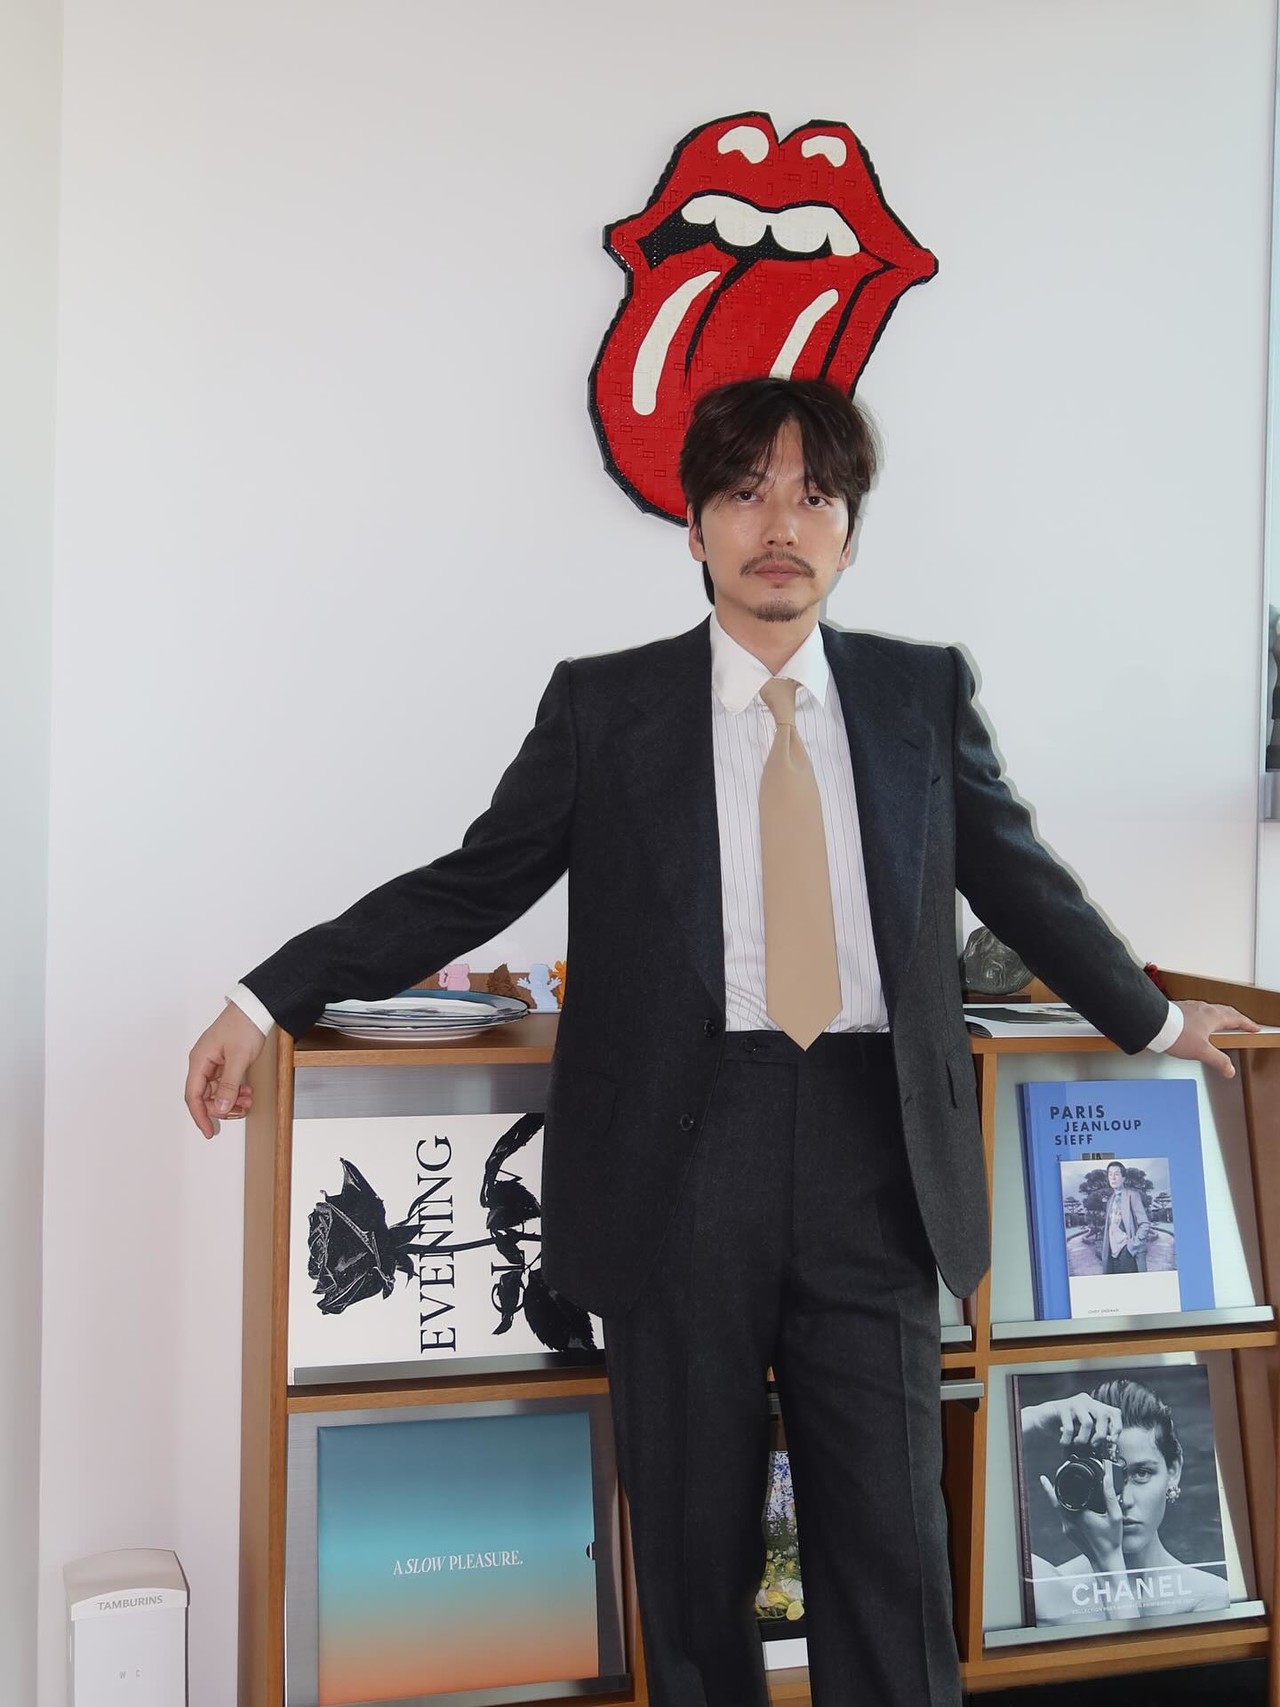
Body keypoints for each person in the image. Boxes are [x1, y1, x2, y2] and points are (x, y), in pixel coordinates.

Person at [186, 377, 1257, 1707]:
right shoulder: (607, 707)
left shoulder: (917, 694)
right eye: (746, 492)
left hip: (874, 1154)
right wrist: (267, 995)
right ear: (693, 526)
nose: (780, 524)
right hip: (675, 1161)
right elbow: (473, 883)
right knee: (694, 1567)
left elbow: (1020, 878)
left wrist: (1156, 1017)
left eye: (813, 496)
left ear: (850, 533)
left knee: (891, 1555)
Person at [1020, 1378, 1230, 1623]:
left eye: (1142, 1473)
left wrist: (1109, 1566)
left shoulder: (1210, 1597)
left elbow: (1138, 1650)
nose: (1125, 1500)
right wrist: (1035, 1416)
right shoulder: (1051, 1589)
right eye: (1109, 1478)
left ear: (1173, 1471)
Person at [1102, 1160, 1151, 1275]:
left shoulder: (1132, 1195)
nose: (1113, 1177)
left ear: (1123, 1178)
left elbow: (1144, 1224)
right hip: (1112, 1252)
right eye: (1110, 1174)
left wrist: (1132, 1245)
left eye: (1116, 1174)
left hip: (1127, 1251)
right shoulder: (1110, 1200)